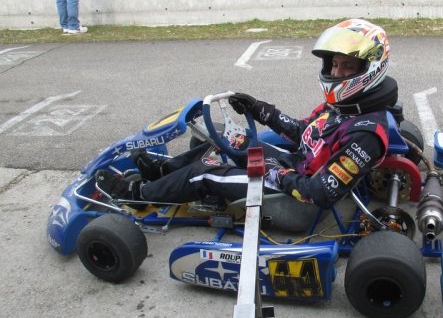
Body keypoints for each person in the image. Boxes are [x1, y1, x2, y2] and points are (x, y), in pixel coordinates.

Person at [96, 19, 399, 211]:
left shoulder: (366, 135)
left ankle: (137, 194)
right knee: (230, 139)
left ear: (370, 70)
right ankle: (163, 174)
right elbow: (304, 133)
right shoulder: (344, 107)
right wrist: (260, 109)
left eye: (347, 67)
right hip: (291, 169)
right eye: (334, 64)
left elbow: (319, 193)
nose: (336, 72)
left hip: (296, 201)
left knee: (207, 173)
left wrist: (273, 171)